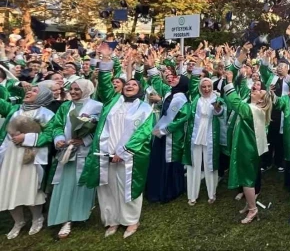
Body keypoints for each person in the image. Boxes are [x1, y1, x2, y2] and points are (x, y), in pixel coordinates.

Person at [79, 44, 154, 239]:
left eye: (134, 84)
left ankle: (131, 221)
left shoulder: (144, 108)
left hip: (129, 156)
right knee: (107, 187)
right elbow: (104, 84)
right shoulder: (112, 101)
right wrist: (105, 59)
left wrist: (124, 152)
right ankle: (112, 220)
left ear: (140, 90)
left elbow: (143, 133)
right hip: (105, 153)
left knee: (126, 187)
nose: (129, 85)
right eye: (127, 83)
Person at [44, 79, 103, 239]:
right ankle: (65, 218)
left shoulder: (97, 107)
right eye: (71, 89)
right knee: (64, 183)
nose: (73, 91)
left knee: (80, 183)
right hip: (66, 150)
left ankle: (80, 212)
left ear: (86, 89)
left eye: (77, 89)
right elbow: (56, 125)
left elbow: (100, 129)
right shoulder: (65, 106)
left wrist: (84, 140)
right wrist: (59, 139)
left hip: (85, 151)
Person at [0, 84, 55, 239]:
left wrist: (26, 138)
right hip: (11, 154)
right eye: (29, 90)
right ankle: (18, 221)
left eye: (35, 91)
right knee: (9, 186)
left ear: (43, 96)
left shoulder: (46, 114)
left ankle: (37, 218)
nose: (30, 92)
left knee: (30, 186)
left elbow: (50, 134)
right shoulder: (15, 109)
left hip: (32, 155)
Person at [223, 69, 270, 223]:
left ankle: (253, 209)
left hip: (247, 149)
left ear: (261, 100)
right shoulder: (256, 109)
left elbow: (235, 102)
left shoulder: (252, 111)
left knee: (247, 179)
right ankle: (249, 203)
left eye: (259, 92)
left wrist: (229, 82)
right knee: (246, 178)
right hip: (248, 147)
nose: (255, 91)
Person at [145, 55, 189, 204]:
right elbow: (158, 86)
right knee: (159, 159)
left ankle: (170, 190)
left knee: (170, 161)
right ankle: (157, 189)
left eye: (176, 79)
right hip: (162, 132)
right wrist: (151, 68)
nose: (173, 80)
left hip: (172, 136)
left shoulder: (182, 98)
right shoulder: (170, 93)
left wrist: (164, 130)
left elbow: (180, 118)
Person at [183, 75, 224, 205]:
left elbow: (221, 113)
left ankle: (212, 193)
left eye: (209, 86)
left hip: (211, 133)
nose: (206, 89)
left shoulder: (218, 98)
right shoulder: (196, 99)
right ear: (200, 88)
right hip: (195, 133)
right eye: (203, 87)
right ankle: (192, 195)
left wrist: (217, 108)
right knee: (193, 164)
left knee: (210, 164)